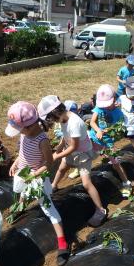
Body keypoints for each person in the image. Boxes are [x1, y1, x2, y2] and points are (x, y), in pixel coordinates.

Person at [6, 101, 69, 266]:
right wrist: (16, 162)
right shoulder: (24, 134)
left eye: (20, 129)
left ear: (28, 126)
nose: (19, 132)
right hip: (25, 174)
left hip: (37, 179)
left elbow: (49, 164)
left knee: (49, 210)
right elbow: (23, 152)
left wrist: (34, 174)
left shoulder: (43, 140)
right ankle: (20, 207)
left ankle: (62, 243)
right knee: (20, 191)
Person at [38, 95, 107, 226]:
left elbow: (74, 146)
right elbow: (66, 135)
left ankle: (100, 210)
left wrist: (57, 156)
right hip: (71, 150)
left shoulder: (74, 123)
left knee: (86, 183)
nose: (52, 121)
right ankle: (54, 186)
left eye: (51, 118)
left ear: (55, 113)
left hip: (82, 154)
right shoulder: (64, 119)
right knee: (62, 168)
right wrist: (59, 146)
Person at [89, 84, 132, 195]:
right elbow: (92, 122)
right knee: (86, 155)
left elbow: (119, 130)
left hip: (107, 143)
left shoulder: (118, 113)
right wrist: (98, 130)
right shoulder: (99, 108)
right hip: (94, 139)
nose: (105, 107)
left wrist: (111, 132)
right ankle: (79, 169)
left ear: (114, 100)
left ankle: (126, 183)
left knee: (116, 163)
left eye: (107, 104)